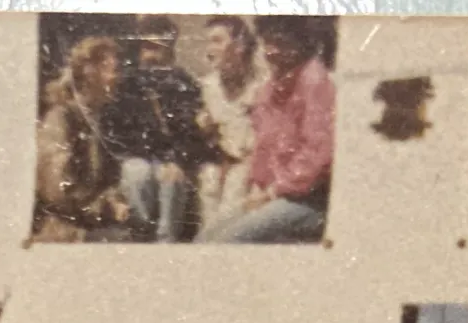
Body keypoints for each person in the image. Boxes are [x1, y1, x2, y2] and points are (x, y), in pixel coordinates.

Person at [199, 20, 334, 245]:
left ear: (301, 43)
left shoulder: (315, 81)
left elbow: (317, 154)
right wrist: (258, 188)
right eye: (268, 43)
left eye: (280, 43)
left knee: (230, 240)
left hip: (307, 200)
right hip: (274, 193)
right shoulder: (270, 88)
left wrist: (272, 192)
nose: (272, 51)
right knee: (207, 235)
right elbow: (263, 148)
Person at [101, 17, 208, 245]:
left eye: (157, 48)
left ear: (170, 48)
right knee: (139, 174)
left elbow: (191, 131)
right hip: (136, 158)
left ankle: (166, 242)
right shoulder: (127, 84)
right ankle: (140, 238)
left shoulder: (185, 83)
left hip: (170, 161)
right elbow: (117, 134)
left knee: (173, 179)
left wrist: (177, 160)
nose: (150, 55)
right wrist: (150, 155)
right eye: (146, 47)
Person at [33, 34, 129, 244]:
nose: (118, 78)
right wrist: (104, 206)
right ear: (90, 73)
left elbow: (110, 179)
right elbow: (57, 188)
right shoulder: (60, 118)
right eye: (113, 71)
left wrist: (114, 200)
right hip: (64, 231)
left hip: (94, 225)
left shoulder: (101, 120)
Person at [196, 18, 263, 234]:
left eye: (217, 41)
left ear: (239, 46)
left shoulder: (261, 87)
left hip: (250, 167)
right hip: (217, 165)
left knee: (237, 183)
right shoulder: (207, 87)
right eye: (208, 42)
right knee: (210, 177)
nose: (209, 50)